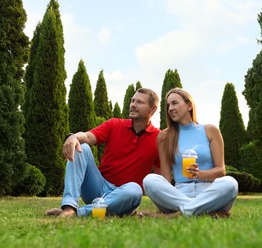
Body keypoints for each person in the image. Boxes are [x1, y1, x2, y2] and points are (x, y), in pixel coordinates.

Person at [46, 88, 160, 217]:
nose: (133, 104)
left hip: (125, 197)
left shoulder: (159, 139)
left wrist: (163, 210)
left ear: (153, 109)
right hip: (98, 188)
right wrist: (74, 137)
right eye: (132, 101)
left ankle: (79, 212)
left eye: (139, 102)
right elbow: (87, 137)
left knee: (135, 189)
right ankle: (69, 207)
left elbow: (160, 179)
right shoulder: (114, 124)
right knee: (81, 147)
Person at [142, 88, 238, 217]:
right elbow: (166, 178)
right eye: (168, 105)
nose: (170, 108)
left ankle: (178, 214)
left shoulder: (210, 130)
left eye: (175, 103)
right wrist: (163, 197)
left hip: (208, 191)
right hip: (180, 193)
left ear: (189, 105)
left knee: (230, 183)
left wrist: (200, 174)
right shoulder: (164, 137)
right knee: (150, 180)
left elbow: (221, 171)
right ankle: (204, 211)